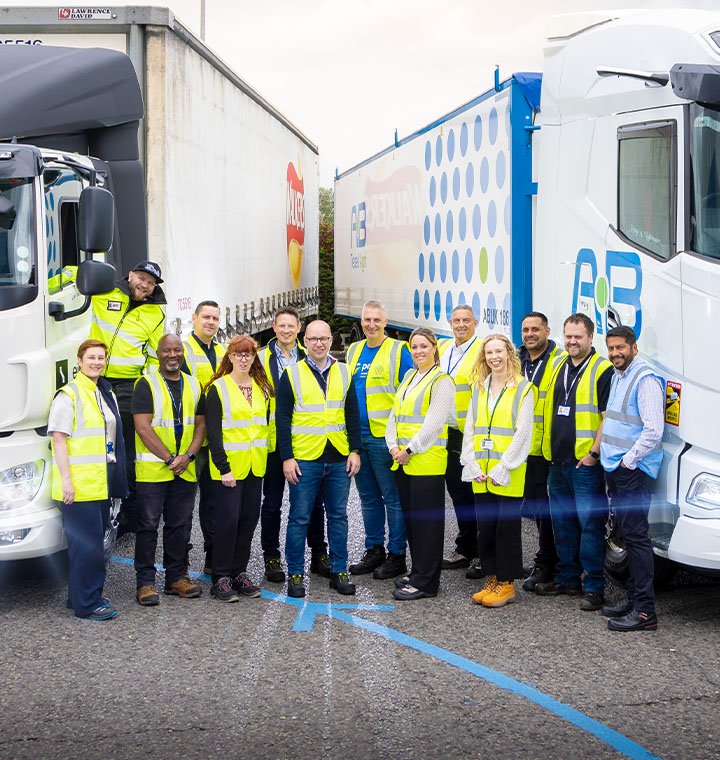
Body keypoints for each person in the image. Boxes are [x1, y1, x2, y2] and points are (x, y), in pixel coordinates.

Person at [276, 319, 361, 598]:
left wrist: (355, 450)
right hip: (305, 459)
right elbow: (283, 419)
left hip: (338, 457)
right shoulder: (291, 374)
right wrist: (287, 457)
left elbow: (351, 415)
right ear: (305, 341)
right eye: (313, 339)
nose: (319, 344)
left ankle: (339, 571)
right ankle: (296, 574)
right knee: (299, 518)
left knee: (339, 517)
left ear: (331, 341)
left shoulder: (345, 372)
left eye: (324, 339)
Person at [535, 313, 613, 612]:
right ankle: (569, 579)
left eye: (578, 336)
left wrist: (593, 454)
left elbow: (609, 419)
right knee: (563, 524)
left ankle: (594, 586)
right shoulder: (557, 365)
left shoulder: (601, 369)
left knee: (590, 525)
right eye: (568, 336)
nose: (572, 341)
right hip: (557, 460)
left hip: (584, 465)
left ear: (591, 338)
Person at [48, 339, 128, 621]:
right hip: (78, 487)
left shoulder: (101, 392)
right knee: (89, 548)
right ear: (79, 361)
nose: (96, 362)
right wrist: (67, 481)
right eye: (91, 358)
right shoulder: (68, 395)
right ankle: (88, 604)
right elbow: (58, 440)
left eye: (101, 358)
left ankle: (79, 597)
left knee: (89, 546)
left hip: (98, 483)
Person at [89, 260, 166, 536]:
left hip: (127, 387)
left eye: (151, 283)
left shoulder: (155, 314)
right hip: (91, 379)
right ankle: (94, 504)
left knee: (124, 450)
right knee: (91, 444)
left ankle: (127, 514)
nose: (144, 285)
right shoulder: (105, 291)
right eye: (142, 278)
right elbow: (72, 275)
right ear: (130, 275)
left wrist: (148, 390)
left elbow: (156, 355)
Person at [461, 335, 535, 608]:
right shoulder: (479, 386)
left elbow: (522, 434)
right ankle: (492, 578)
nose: (494, 357)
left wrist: (502, 467)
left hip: (508, 472)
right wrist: (474, 464)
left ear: (509, 354)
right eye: (489, 352)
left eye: (499, 352)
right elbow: (470, 428)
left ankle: (507, 584)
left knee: (506, 530)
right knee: (486, 529)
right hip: (482, 472)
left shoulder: (524, 389)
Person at [132, 334, 206, 606]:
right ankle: (145, 583)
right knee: (148, 526)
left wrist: (187, 456)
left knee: (180, 525)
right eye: (166, 350)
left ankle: (176, 577)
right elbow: (142, 427)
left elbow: (200, 425)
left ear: (182, 353)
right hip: (154, 470)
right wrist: (169, 458)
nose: (172, 355)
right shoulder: (146, 384)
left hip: (184, 468)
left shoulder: (195, 385)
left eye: (177, 350)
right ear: (158, 354)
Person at [258, 307, 329, 583]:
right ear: (273, 327)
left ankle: (319, 554)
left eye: (291, 326)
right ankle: (271, 556)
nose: (286, 330)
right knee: (273, 502)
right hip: (274, 443)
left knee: (313, 503)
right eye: (281, 326)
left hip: (305, 443)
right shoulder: (260, 359)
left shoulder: (309, 355)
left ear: (299, 329)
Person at [601, 326, 664, 631]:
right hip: (617, 468)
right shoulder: (620, 374)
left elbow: (654, 431)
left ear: (633, 347)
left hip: (632, 471)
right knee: (625, 536)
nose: (615, 353)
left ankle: (644, 612)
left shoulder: (645, 379)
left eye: (620, 348)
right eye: (611, 348)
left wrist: (628, 461)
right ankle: (632, 596)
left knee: (637, 539)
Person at [347, 300, 414, 579]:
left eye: (377, 320)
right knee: (368, 498)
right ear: (361, 321)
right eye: (367, 320)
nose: (371, 325)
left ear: (386, 322)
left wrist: (402, 440)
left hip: (385, 439)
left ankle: (397, 554)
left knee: (393, 499)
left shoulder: (399, 351)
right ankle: (374, 550)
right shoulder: (353, 350)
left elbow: (409, 394)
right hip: (358, 438)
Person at [204, 335, 275, 602]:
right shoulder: (217, 389)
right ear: (230, 357)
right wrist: (224, 468)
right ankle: (220, 576)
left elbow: (265, 428)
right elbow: (214, 433)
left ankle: (239, 572)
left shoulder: (262, 388)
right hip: (228, 470)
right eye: (238, 354)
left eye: (248, 355)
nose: (244, 359)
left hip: (255, 467)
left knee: (247, 522)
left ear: (255, 357)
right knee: (227, 523)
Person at [387, 327, 455, 601]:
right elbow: (395, 415)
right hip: (404, 461)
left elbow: (435, 423)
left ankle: (427, 582)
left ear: (434, 347)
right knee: (413, 522)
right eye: (414, 347)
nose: (418, 352)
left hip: (426, 462)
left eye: (424, 346)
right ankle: (418, 571)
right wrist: (392, 445)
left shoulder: (442, 381)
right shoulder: (410, 376)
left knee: (427, 525)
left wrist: (409, 449)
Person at [518, 312, 566, 592]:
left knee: (546, 513)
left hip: (544, 450)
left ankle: (547, 564)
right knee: (533, 511)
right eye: (526, 329)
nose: (530, 334)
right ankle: (542, 562)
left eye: (536, 329)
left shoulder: (558, 362)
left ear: (547, 331)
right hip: (520, 449)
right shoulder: (517, 359)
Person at [181, 300, 226, 574]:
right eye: (206, 317)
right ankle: (181, 560)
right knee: (184, 502)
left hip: (215, 437)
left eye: (215, 318)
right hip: (190, 437)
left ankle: (212, 556)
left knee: (213, 503)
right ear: (194, 318)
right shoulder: (183, 350)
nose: (210, 322)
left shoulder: (222, 351)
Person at [439, 305, 483, 571]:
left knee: (476, 493)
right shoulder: (444, 349)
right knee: (458, 494)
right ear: (450, 322)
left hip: (473, 433)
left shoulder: (481, 352)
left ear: (475, 323)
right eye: (457, 320)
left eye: (466, 320)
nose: (461, 324)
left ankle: (481, 553)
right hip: (448, 433)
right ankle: (465, 548)